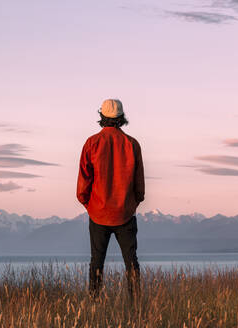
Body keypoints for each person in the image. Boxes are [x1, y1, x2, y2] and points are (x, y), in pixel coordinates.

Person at [76, 99, 145, 300]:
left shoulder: (92, 143)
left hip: (98, 212)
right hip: (125, 213)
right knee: (131, 262)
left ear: (102, 117)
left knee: (96, 262)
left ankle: (94, 302)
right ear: (121, 118)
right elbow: (139, 185)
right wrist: (132, 203)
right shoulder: (132, 144)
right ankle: (136, 306)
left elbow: (83, 182)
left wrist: (88, 204)